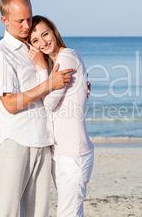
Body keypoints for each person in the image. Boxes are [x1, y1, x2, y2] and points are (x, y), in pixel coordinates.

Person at [0, 0, 73, 217]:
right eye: (19, 21)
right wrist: (49, 84)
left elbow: (54, 87)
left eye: (29, 18)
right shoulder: (1, 55)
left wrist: (78, 87)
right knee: (4, 212)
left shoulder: (35, 46)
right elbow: (10, 104)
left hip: (43, 140)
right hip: (15, 141)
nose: (26, 25)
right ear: (4, 20)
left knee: (38, 213)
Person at [28, 15, 94, 217]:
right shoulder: (55, 64)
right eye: (35, 41)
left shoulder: (66, 57)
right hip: (61, 152)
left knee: (68, 213)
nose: (43, 42)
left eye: (45, 34)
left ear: (54, 32)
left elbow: (49, 103)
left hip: (74, 154)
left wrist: (40, 68)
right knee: (71, 211)